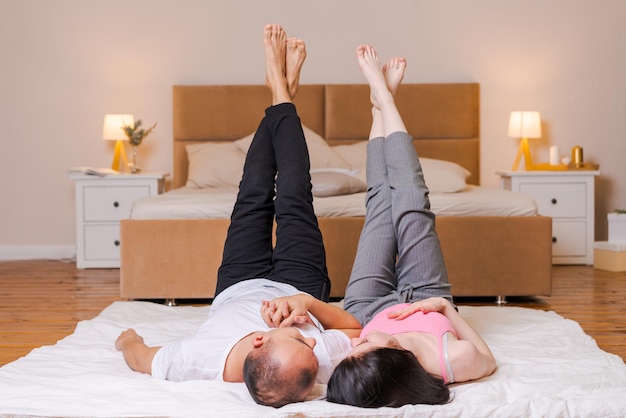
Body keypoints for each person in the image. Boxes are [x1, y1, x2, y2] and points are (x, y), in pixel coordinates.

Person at [114, 24, 361, 408]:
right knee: (294, 192)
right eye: (311, 344)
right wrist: (305, 305)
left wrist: (126, 339)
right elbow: (354, 327)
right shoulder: (314, 362)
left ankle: (281, 92)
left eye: (299, 339)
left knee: (254, 193)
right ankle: (281, 91)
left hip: (238, 284)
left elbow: (140, 356)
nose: (312, 339)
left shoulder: (198, 359)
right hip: (300, 284)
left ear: (260, 339)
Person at [262, 45, 496, 408]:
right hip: (426, 298)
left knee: (381, 207)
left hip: (366, 307)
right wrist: (445, 309)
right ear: (396, 358)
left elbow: (288, 377)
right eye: (365, 346)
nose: (354, 343)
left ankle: (377, 110)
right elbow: (488, 358)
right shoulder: (449, 361)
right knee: (413, 204)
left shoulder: (358, 358)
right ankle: (386, 99)